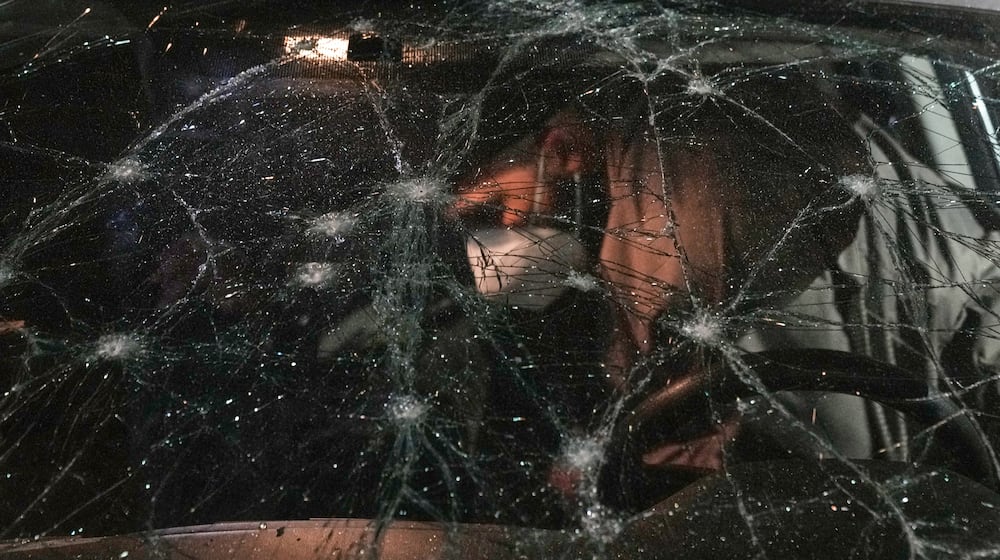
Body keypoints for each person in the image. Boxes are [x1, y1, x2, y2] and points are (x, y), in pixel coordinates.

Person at [450, 71, 1000, 484]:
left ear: (562, 150)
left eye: (494, 206)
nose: (505, 229)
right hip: (913, 446)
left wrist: (638, 461)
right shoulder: (643, 189)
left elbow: (677, 329)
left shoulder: (685, 174)